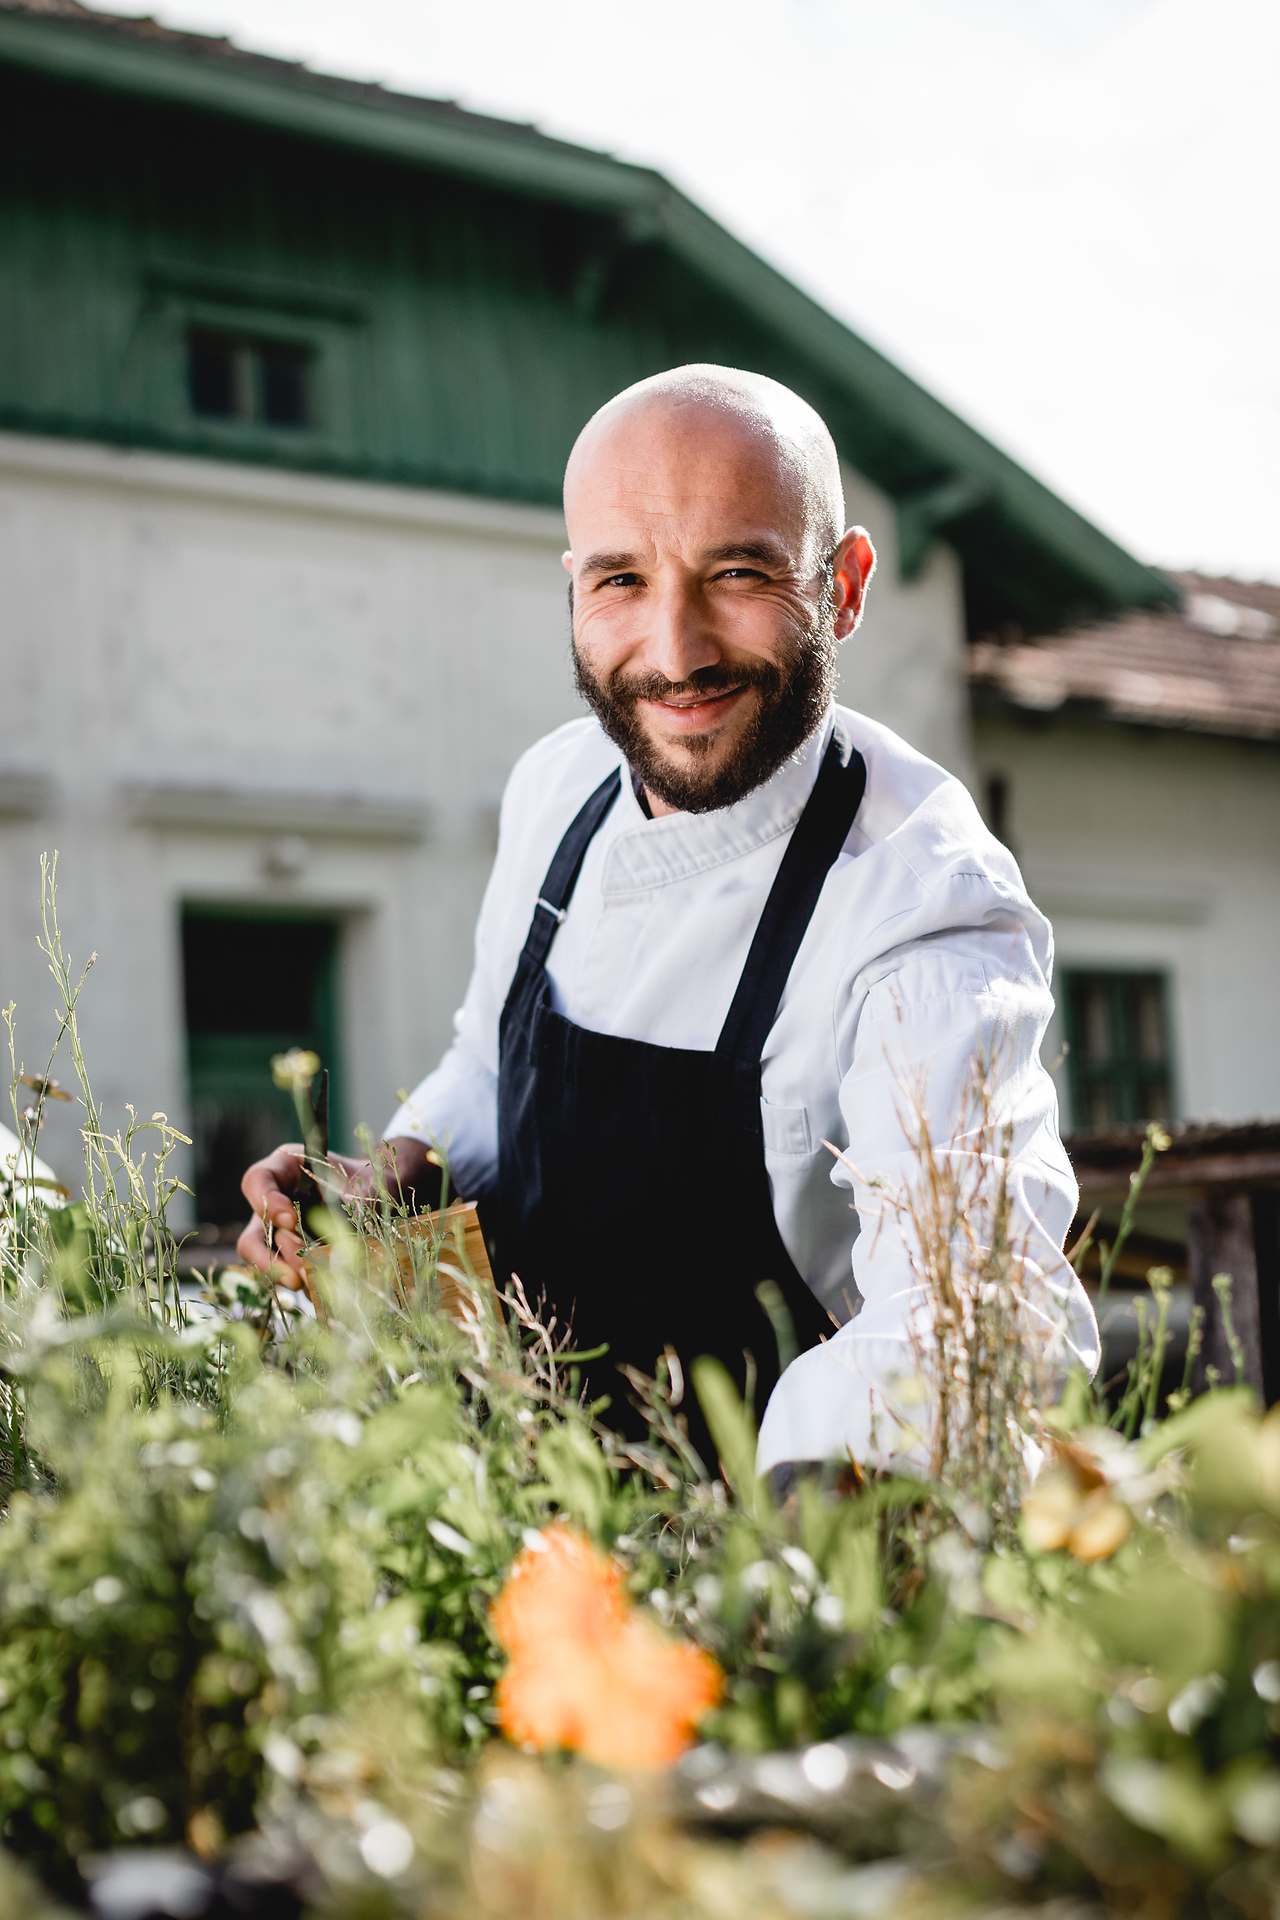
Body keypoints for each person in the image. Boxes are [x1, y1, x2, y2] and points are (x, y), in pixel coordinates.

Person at [238, 364, 1097, 1475]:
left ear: (841, 585)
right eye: (620, 581)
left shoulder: (921, 909)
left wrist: (762, 1568)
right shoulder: (557, 791)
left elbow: (967, 1325)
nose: (674, 651)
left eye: (736, 572)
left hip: (778, 1545)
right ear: (573, 588)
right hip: (527, 1502)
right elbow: (490, 1066)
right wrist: (403, 1162)